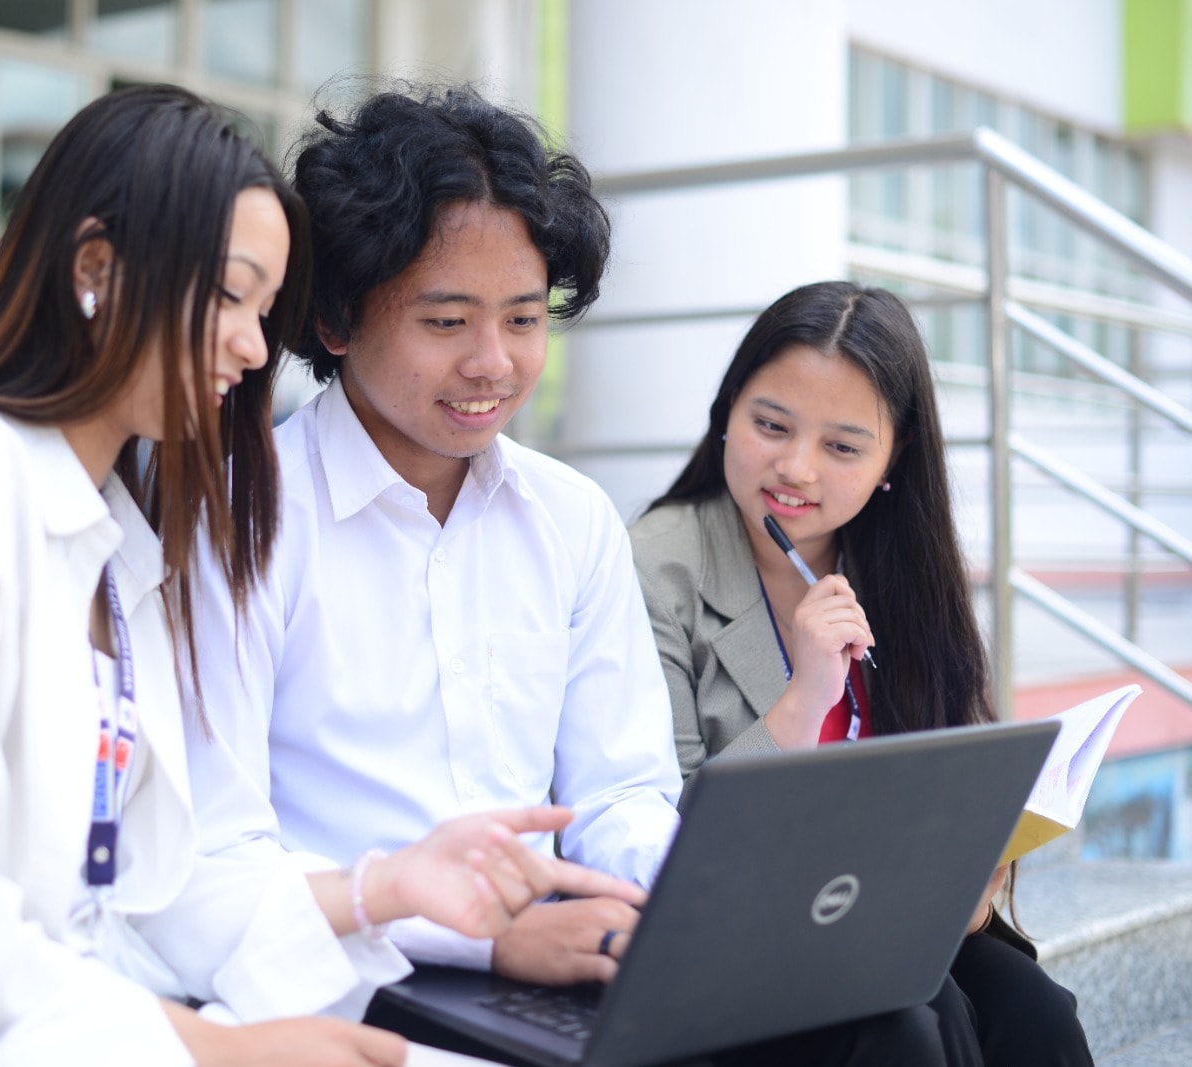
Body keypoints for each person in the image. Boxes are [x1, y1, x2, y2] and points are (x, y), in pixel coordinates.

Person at [0, 84, 643, 1067]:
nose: (253, 347)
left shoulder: (115, 539)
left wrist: (389, 888)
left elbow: (151, 895)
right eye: (228, 296)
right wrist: (219, 1046)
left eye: (262, 305)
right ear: (96, 270)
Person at [186, 88, 977, 1065]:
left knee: (901, 1015)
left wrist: (679, 897)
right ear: (338, 318)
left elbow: (619, 792)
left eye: (523, 318)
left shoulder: (568, 518)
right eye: (446, 320)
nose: (493, 361)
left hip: (559, 939)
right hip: (352, 969)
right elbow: (218, 854)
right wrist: (484, 933)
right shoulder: (238, 516)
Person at [630, 280, 1093, 1067]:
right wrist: (805, 696)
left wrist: (977, 861)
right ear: (727, 408)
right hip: (730, 943)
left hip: (878, 919)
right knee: (915, 1019)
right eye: (771, 424)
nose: (797, 467)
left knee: (1036, 1010)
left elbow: (944, 780)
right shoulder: (654, 567)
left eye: (843, 446)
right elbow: (657, 834)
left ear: (893, 457)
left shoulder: (902, 570)